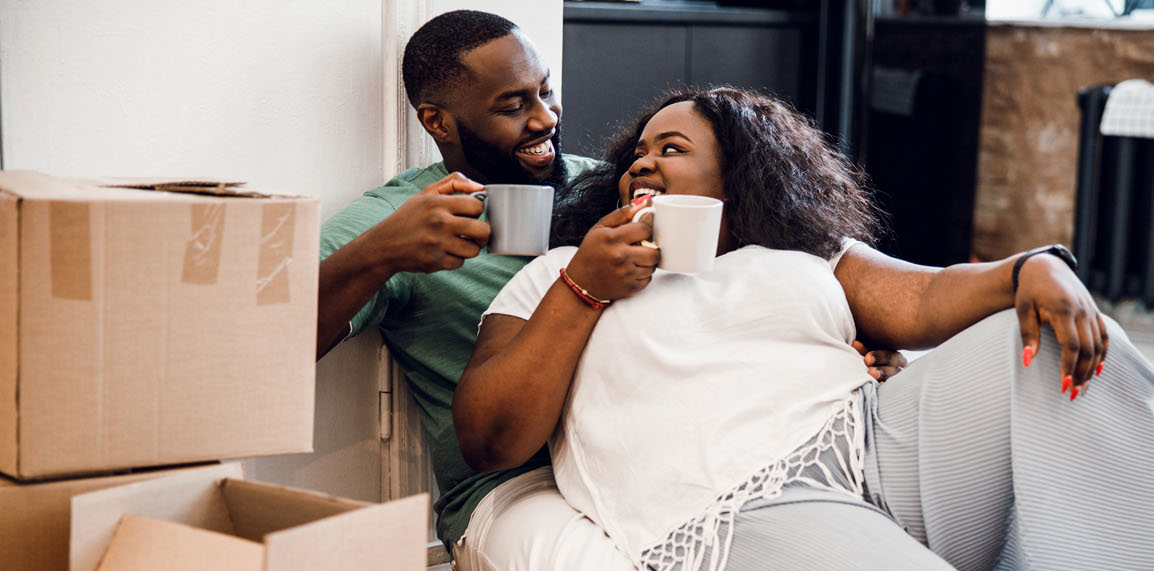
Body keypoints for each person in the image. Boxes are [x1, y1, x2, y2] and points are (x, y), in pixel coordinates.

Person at [456, 87, 1154, 570]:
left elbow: (924, 301)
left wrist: (1033, 269)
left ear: (737, 176)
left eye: (671, 150)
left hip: (877, 442)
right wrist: (584, 287)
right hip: (739, 506)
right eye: (637, 155)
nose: (642, 164)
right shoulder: (557, 272)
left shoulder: (800, 254)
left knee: (1057, 338)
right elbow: (491, 435)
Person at [315, 11, 906, 570]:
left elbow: (745, 278)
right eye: (513, 105)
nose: (545, 118)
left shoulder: (610, 183)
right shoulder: (395, 219)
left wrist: (845, 343)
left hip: (659, 445)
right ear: (437, 121)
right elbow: (271, 349)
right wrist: (381, 251)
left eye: (546, 90)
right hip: (518, 479)